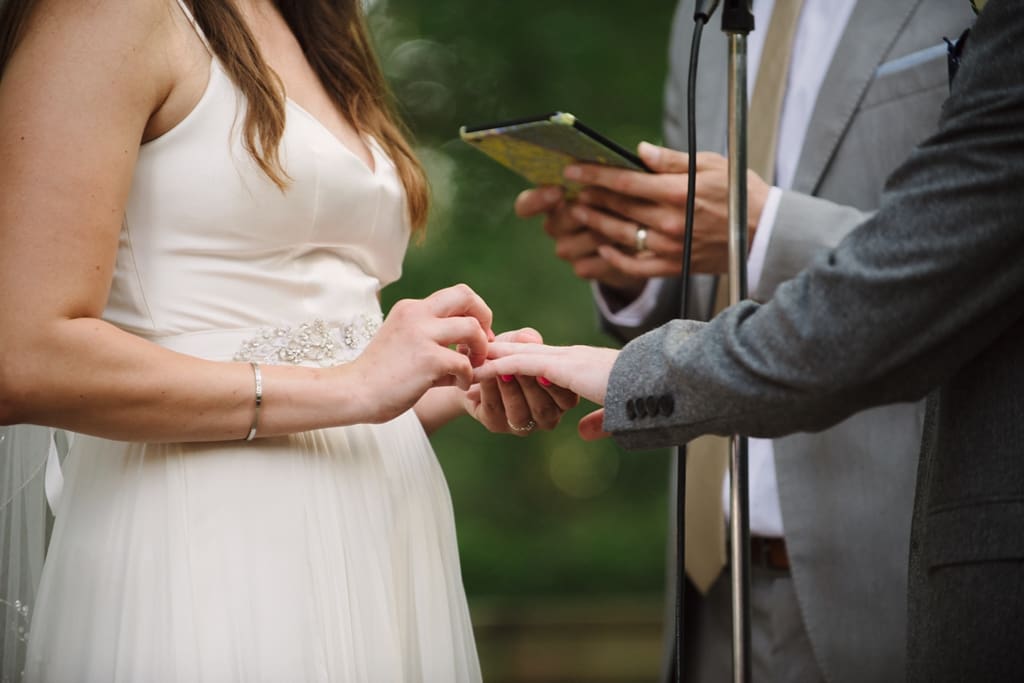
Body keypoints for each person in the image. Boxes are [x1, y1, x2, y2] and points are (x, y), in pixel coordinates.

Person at [0, 0, 578, 680]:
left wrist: (446, 377)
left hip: (381, 535)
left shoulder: (323, 25)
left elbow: (327, 367)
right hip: (204, 536)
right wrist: (353, 385)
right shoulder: (107, 14)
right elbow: (23, 355)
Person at [481, 0, 1024, 680]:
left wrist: (766, 229)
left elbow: (942, 266)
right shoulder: (699, 15)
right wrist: (638, 261)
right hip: (711, 581)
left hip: (894, 569)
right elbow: (704, 283)